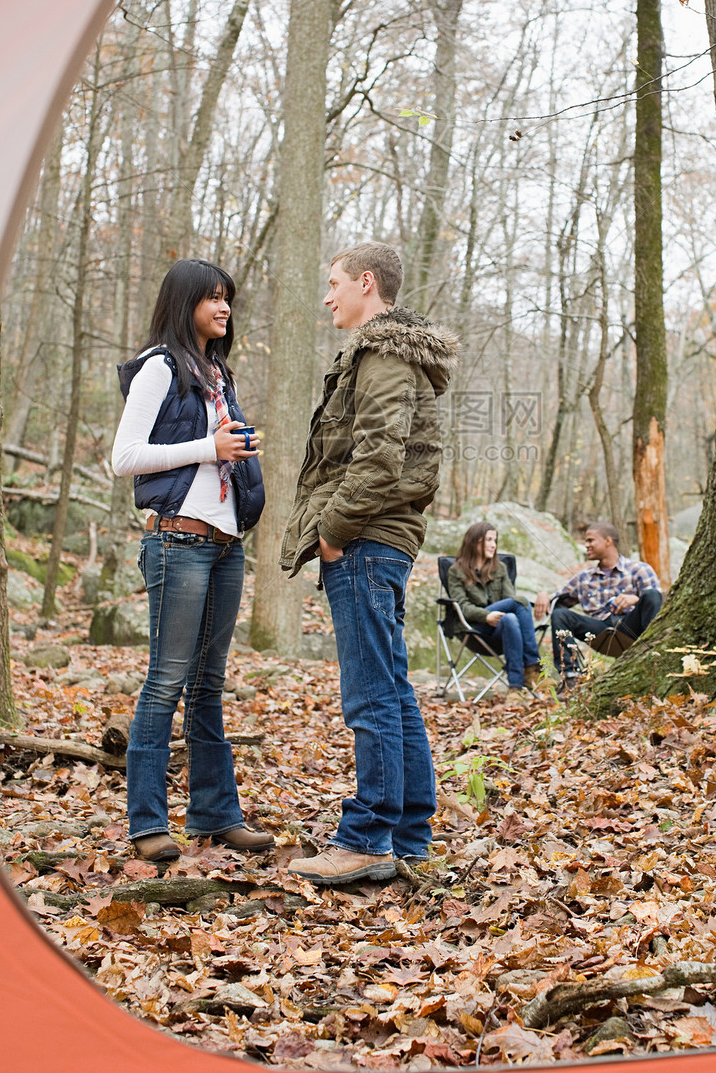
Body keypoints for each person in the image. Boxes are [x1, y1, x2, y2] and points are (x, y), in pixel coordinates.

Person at [281, 242, 458, 886]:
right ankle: (410, 834)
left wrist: (332, 532)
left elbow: (378, 457)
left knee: (370, 695)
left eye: (333, 284)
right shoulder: (388, 354)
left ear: (365, 283)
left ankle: (366, 838)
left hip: (364, 541)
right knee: (392, 689)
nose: (327, 297)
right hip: (378, 540)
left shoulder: (381, 355)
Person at [112, 258, 271, 863]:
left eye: (227, 298)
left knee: (208, 686)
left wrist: (237, 449)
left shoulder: (217, 374)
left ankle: (215, 814)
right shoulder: (159, 366)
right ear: (185, 304)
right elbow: (125, 457)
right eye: (212, 298)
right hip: (177, 542)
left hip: (225, 546)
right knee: (165, 683)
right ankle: (147, 822)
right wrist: (211, 446)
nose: (224, 308)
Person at [544, 522, 662, 680]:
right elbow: (555, 601)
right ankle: (570, 676)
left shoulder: (639, 569)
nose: (586, 545)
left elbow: (657, 602)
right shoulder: (583, 578)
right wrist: (544, 595)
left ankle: (654, 655)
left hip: (632, 626)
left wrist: (635, 599)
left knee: (652, 594)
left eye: (591, 540)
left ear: (608, 541)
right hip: (599, 630)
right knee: (560, 614)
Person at [446, 522, 542, 703]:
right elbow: (463, 607)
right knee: (519, 602)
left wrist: (498, 614)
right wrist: (486, 616)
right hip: (474, 627)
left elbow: (509, 601)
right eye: (488, 540)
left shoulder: (500, 569)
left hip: (501, 627)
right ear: (474, 542)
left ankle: (515, 689)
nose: (493, 545)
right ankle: (531, 667)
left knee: (512, 617)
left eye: (495, 540)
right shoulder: (456, 571)